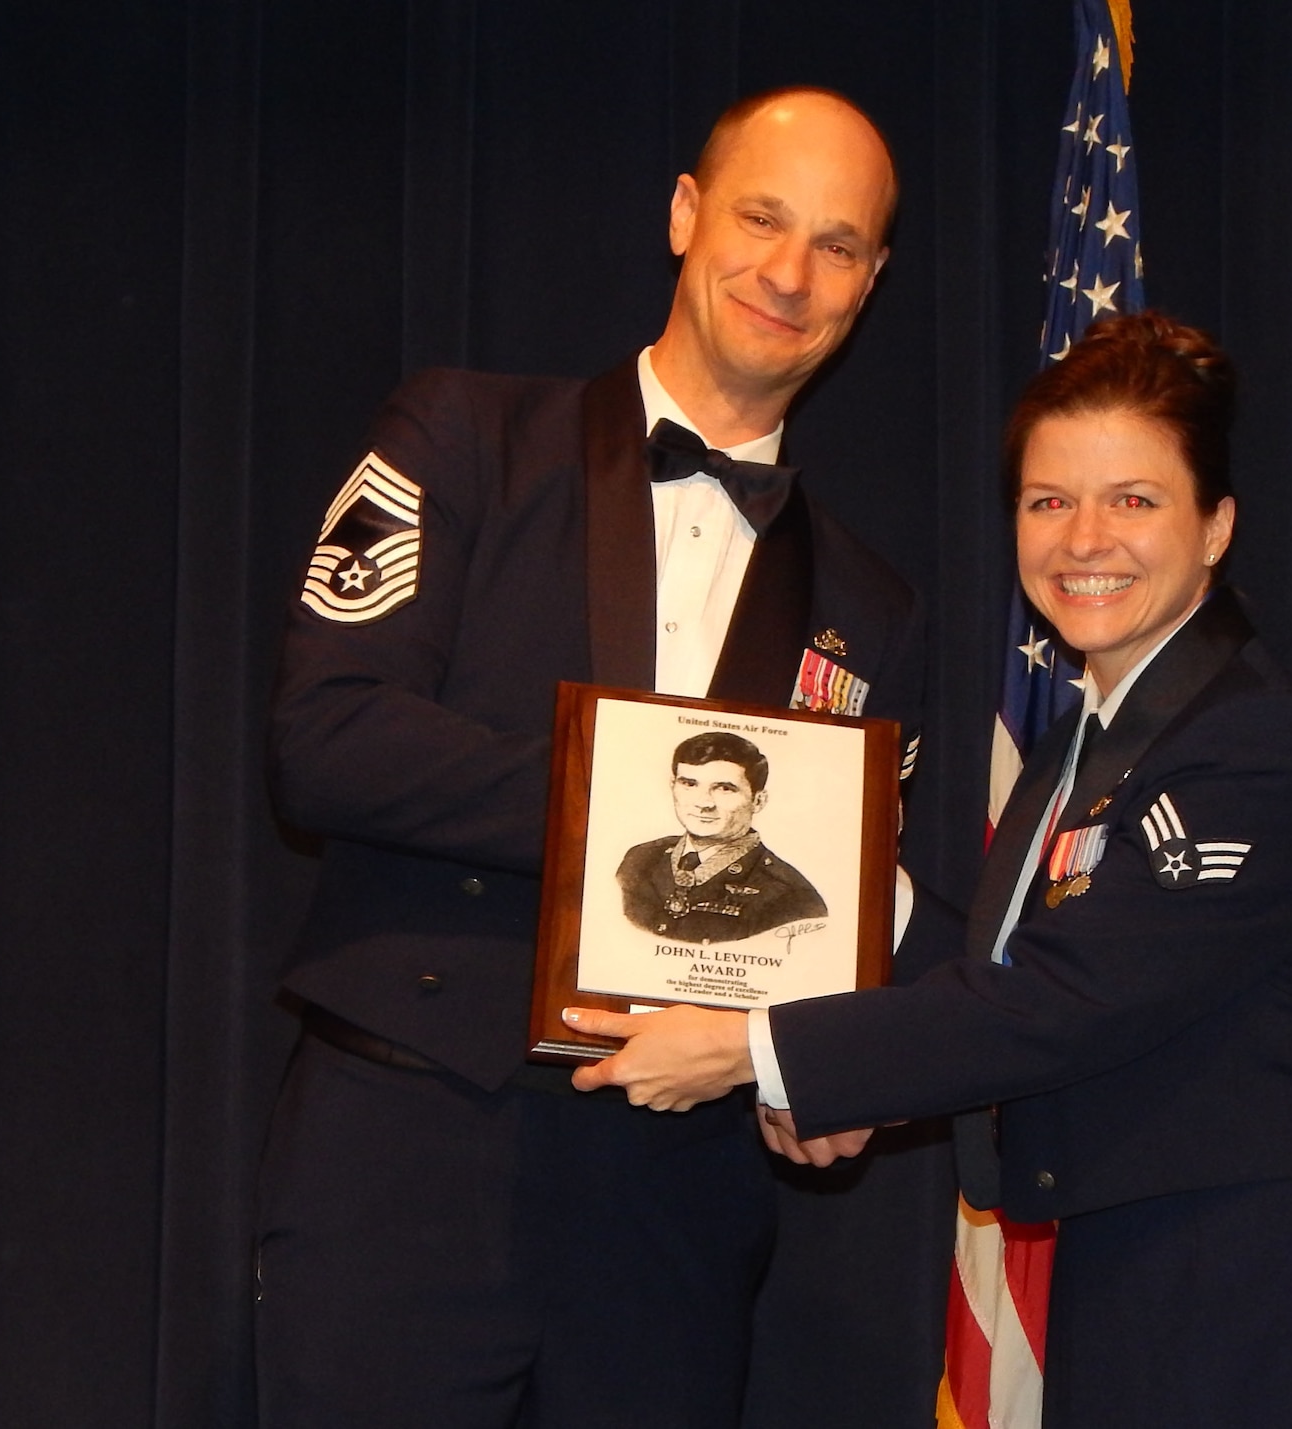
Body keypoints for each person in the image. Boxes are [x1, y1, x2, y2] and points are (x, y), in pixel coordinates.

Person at [568, 311, 1292, 1427]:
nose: (1084, 538)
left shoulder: (1245, 745)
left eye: (1133, 500)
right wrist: (837, 901)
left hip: (1259, 1292)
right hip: (1136, 1273)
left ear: (1215, 526)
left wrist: (754, 1049)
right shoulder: (1084, 748)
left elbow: (1062, 1001)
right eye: (1047, 502)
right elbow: (1002, 965)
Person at [257, 88, 924, 1429]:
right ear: (685, 215)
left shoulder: (871, 602)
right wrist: (634, 803)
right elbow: (326, 735)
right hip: (414, 1150)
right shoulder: (461, 438)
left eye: (838, 245)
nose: (790, 273)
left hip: (672, 1210)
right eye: (762, 217)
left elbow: (870, 898)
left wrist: (830, 1060)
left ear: (873, 282)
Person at [616, 731, 827, 941]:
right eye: (689, 784)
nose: (704, 803)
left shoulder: (791, 896)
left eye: (725, 789)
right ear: (673, 786)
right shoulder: (640, 860)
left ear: (758, 801)